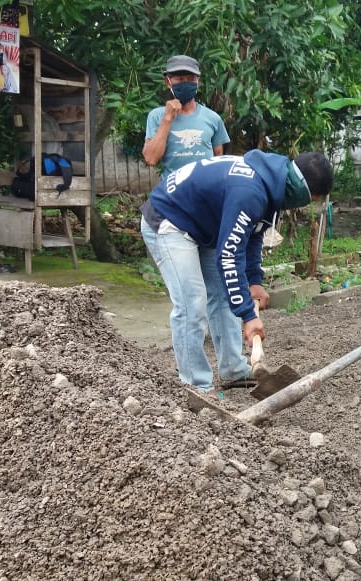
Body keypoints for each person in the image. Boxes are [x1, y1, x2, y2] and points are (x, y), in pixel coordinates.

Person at [140, 151, 334, 402]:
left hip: (202, 225)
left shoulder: (272, 185)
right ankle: (195, 386)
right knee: (191, 302)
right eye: (312, 199)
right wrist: (248, 316)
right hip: (170, 219)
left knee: (223, 292)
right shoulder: (250, 191)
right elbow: (229, 256)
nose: (307, 204)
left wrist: (254, 281)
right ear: (303, 190)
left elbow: (253, 234)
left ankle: (233, 368)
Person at [142, 55, 230, 177]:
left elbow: (218, 157)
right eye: (180, 79)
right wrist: (167, 119)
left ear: (198, 81)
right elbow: (151, 159)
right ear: (168, 82)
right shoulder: (157, 116)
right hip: (174, 188)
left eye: (191, 79)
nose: (185, 83)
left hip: (205, 187)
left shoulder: (213, 118)